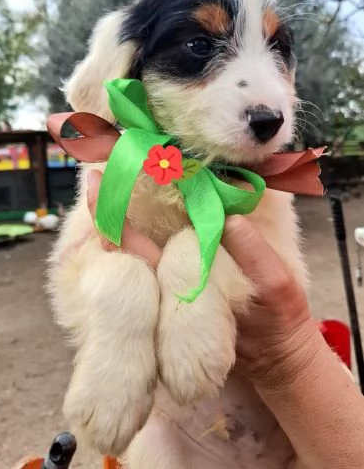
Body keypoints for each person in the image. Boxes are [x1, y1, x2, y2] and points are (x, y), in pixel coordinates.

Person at [87, 170, 364, 469]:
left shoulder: (260, 181)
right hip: (182, 437)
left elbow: (277, 272)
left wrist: (291, 353)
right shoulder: (115, 164)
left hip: (287, 436)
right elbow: (73, 271)